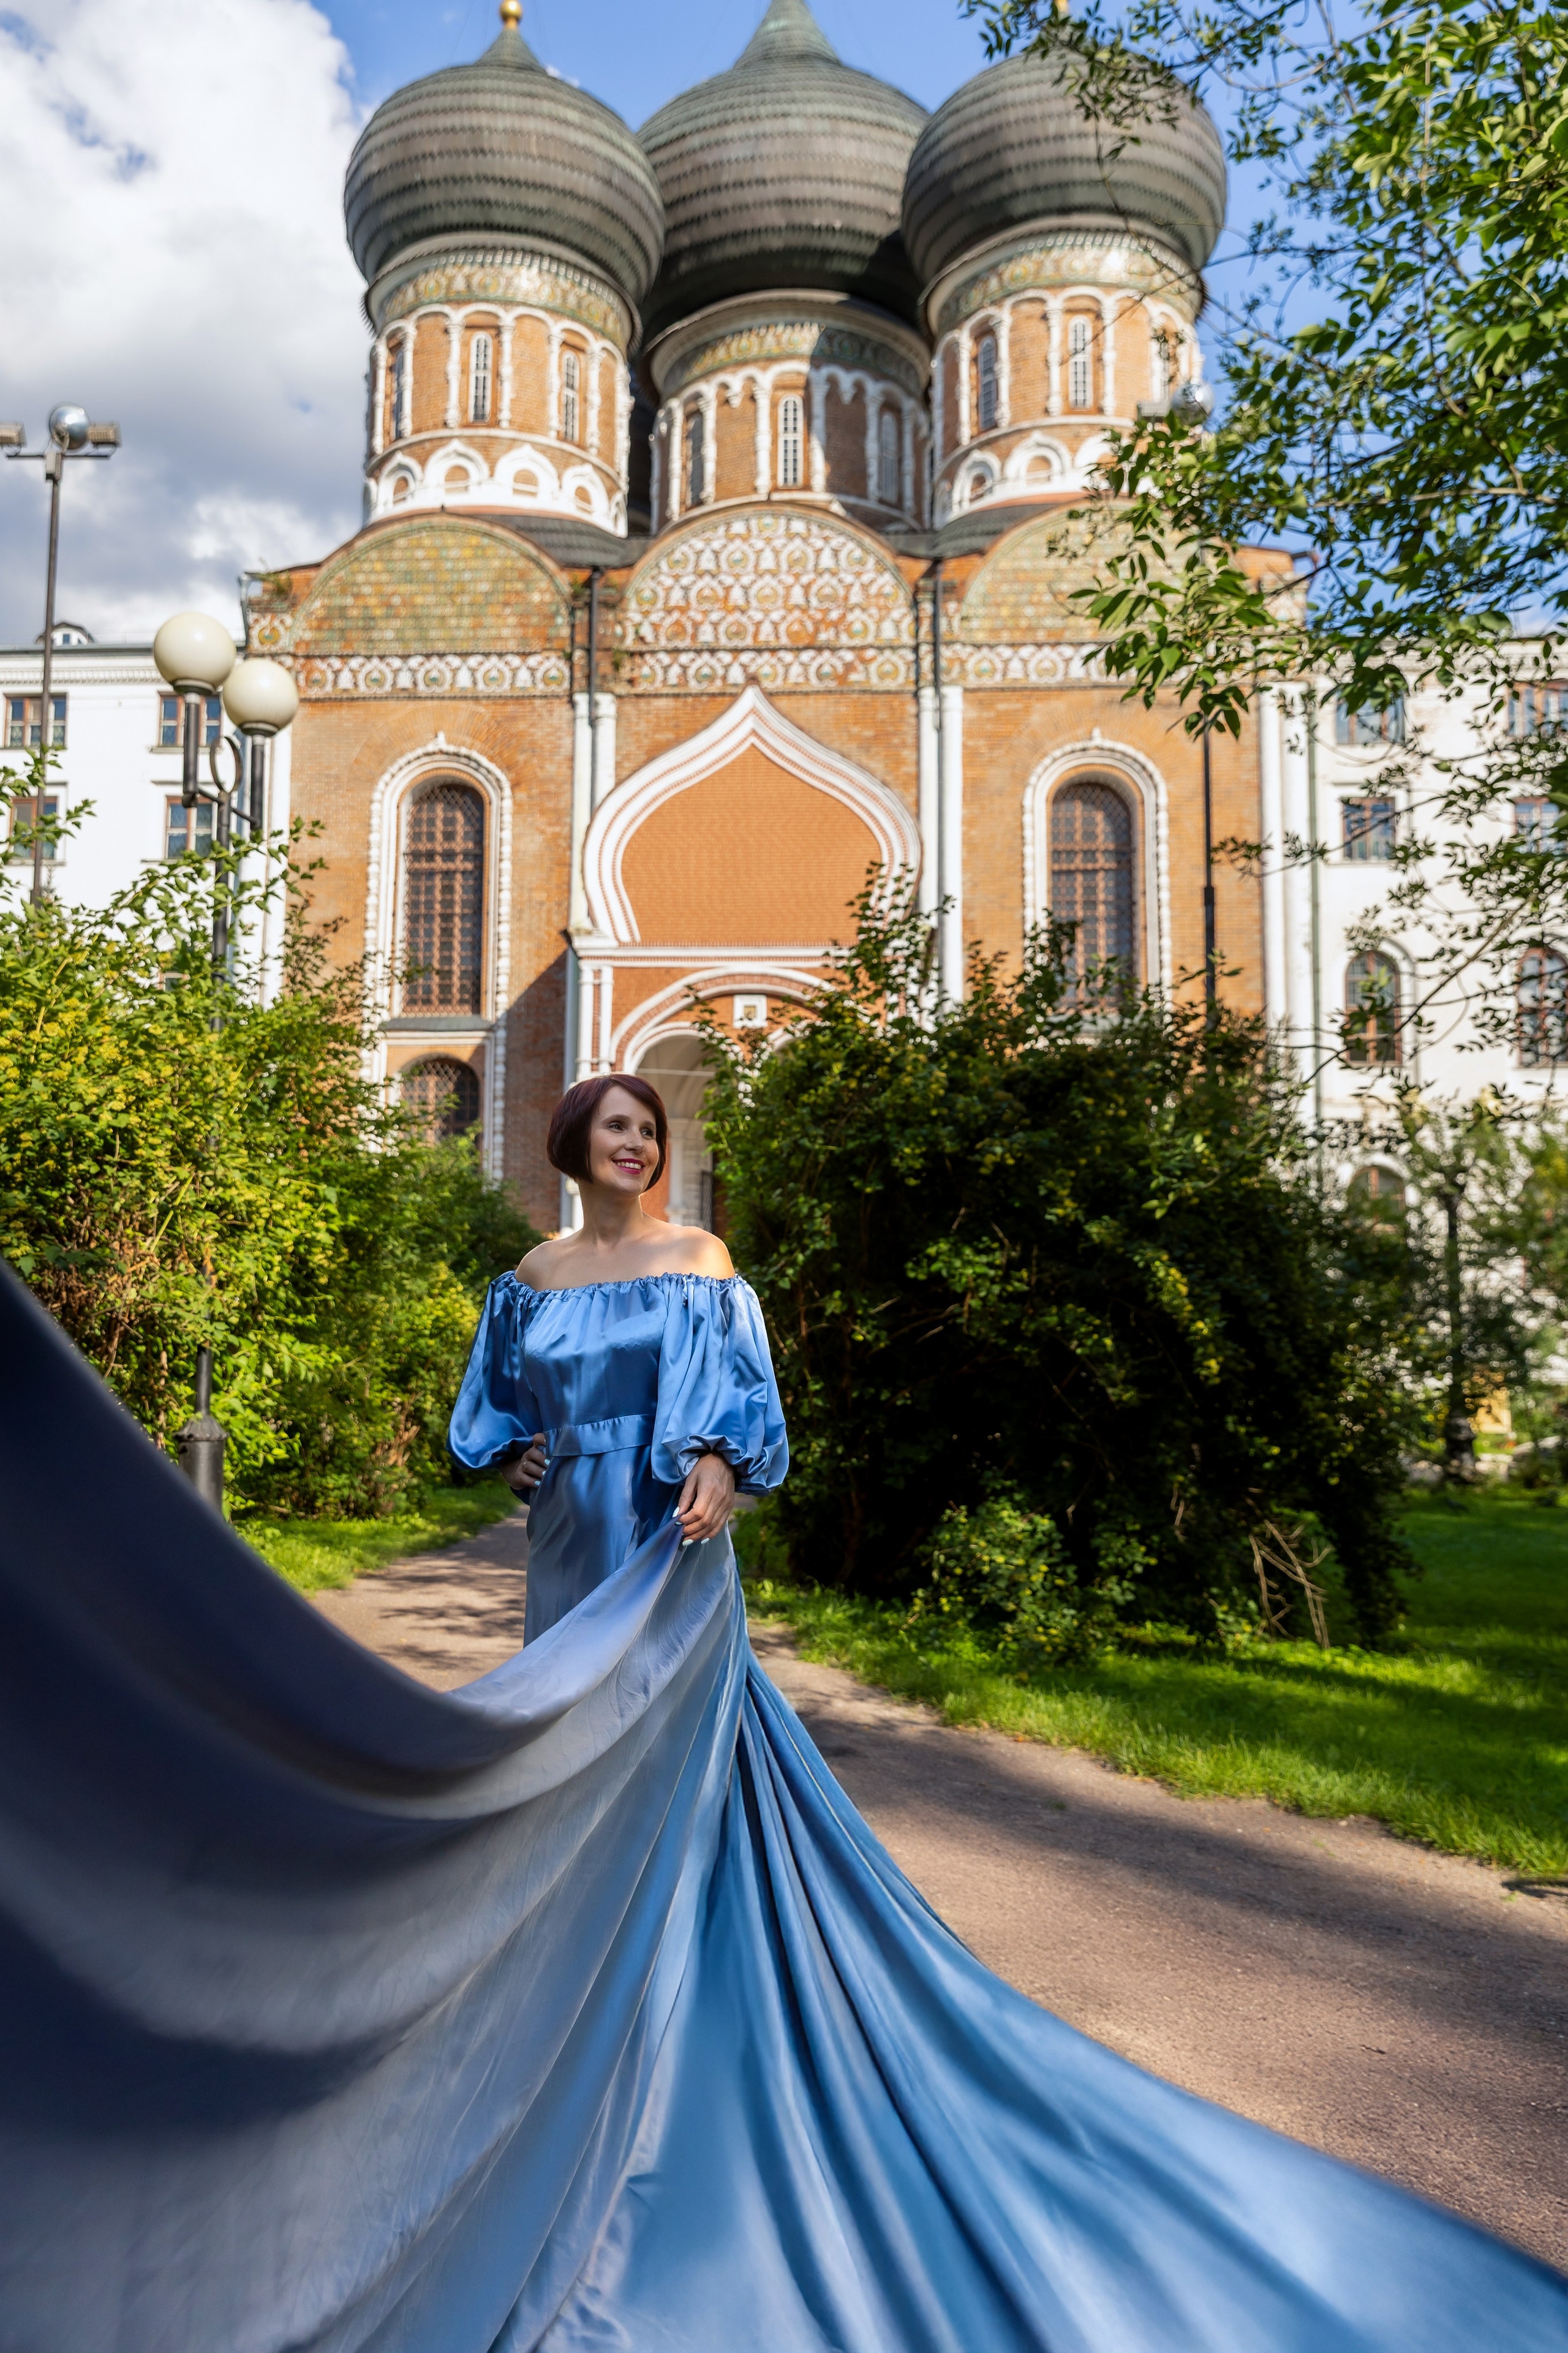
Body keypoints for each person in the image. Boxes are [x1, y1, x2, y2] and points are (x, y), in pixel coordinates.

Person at [0, 1076, 1562, 2351]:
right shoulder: (532, 1275)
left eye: (647, 1130)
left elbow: (749, 1404)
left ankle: (678, 1974)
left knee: (668, 1742)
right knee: (557, 1740)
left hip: (672, 1540)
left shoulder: (704, 1265)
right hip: (567, 1537)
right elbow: (488, 1398)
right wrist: (512, 1460)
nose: (635, 1143)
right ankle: (567, 1951)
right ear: (571, 1149)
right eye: (612, 1128)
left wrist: (720, 1465)